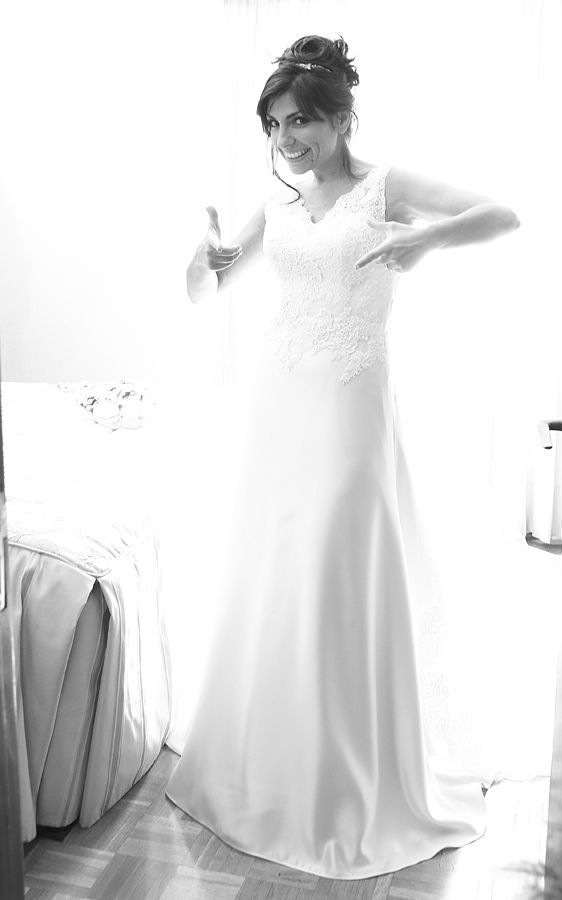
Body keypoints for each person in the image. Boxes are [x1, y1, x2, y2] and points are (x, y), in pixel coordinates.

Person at [166, 34, 520, 880]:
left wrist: (426, 241)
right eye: (274, 125)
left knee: (341, 562)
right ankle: (275, 761)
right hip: (280, 403)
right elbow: (209, 288)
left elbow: (502, 215)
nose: (286, 139)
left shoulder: (384, 186)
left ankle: (351, 769)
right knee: (280, 568)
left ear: (340, 118)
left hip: (353, 401)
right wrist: (203, 259)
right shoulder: (278, 205)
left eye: (301, 121)